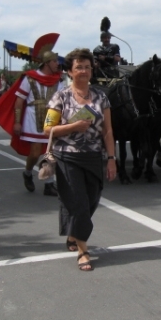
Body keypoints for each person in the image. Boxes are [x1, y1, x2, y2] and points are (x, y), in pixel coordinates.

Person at [44, 48, 117, 271]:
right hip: (67, 157)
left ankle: (74, 234)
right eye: (79, 67)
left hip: (94, 157)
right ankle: (83, 252)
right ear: (69, 71)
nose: (84, 71)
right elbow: (48, 129)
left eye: (87, 67)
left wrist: (111, 158)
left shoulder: (100, 96)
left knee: (92, 200)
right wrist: (73, 127)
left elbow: (108, 130)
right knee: (79, 203)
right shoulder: (61, 97)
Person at [0, 50, 63, 196]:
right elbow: (19, 101)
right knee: (35, 153)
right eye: (55, 61)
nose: (57, 64)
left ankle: (49, 184)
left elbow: (62, 100)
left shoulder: (57, 80)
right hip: (32, 117)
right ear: (47, 63)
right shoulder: (30, 78)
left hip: (51, 117)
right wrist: (17, 122)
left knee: (51, 152)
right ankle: (28, 172)